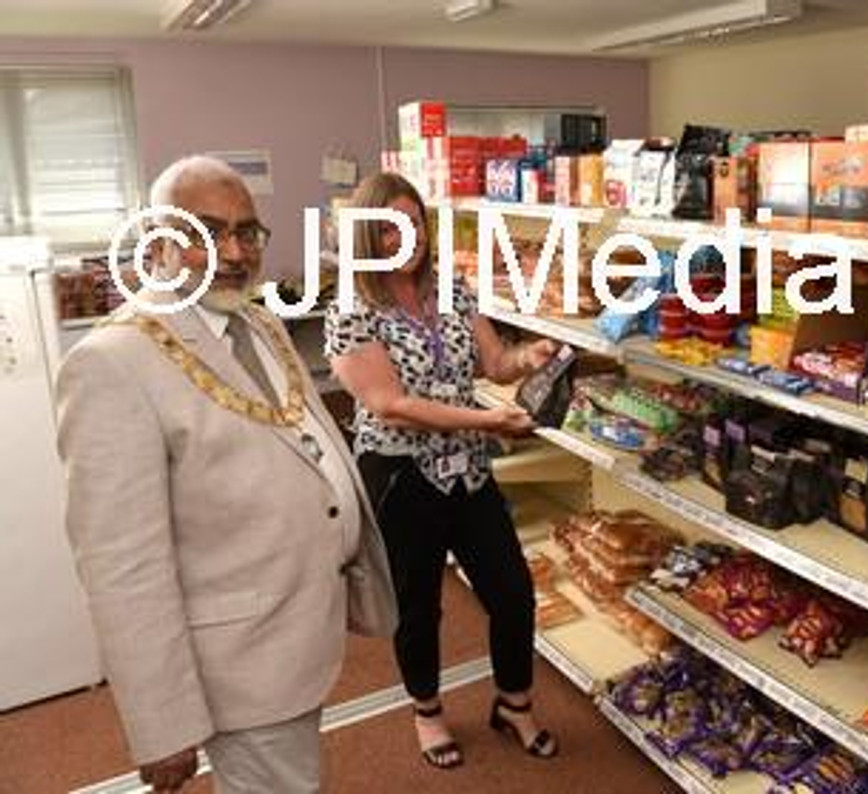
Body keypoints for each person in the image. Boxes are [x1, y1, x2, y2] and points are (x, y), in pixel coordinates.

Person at [56, 155, 397, 794]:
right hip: (235, 661)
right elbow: (122, 567)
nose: (234, 252)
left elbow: (296, 439)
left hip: (291, 631)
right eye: (207, 233)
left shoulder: (252, 319)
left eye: (247, 232)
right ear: (158, 241)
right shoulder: (112, 362)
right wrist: (162, 723)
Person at [325, 172, 559, 770]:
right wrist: (487, 423)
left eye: (417, 224)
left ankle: (513, 701)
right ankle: (427, 711)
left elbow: (495, 362)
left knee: (512, 591)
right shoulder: (351, 308)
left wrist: (525, 358)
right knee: (418, 604)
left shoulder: (452, 287)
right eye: (390, 229)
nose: (409, 239)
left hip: (469, 472)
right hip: (401, 475)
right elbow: (389, 404)